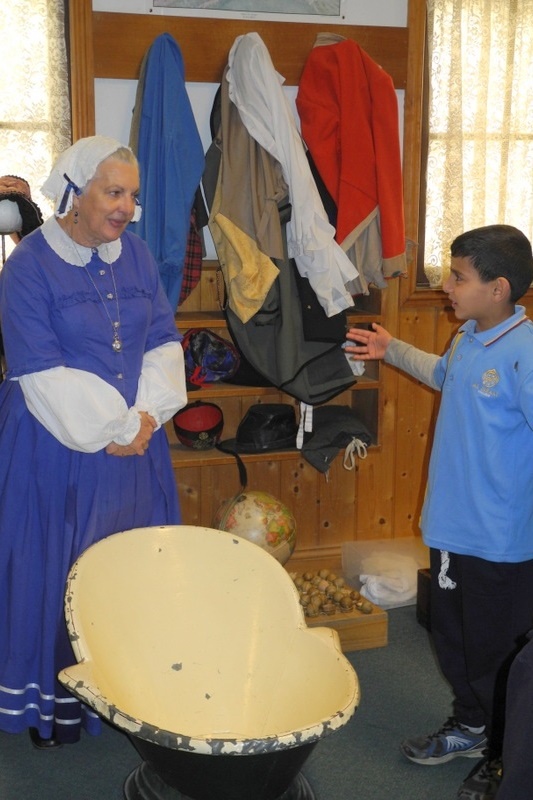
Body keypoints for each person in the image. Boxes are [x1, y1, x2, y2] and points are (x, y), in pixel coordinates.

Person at [0, 136, 188, 749]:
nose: (127, 208)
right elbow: (38, 367)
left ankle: (124, 693)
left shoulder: (134, 255)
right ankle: (57, 708)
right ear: (75, 194)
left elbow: (162, 338)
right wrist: (114, 426)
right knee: (60, 569)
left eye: (132, 195)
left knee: (124, 570)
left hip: (136, 441)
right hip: (55, 443)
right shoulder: (27, 265)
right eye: (114, 193)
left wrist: (146, 417)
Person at [345, 224, 533, 800]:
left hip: (500, 541)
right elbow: (445, 375)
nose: (448, 285)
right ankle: (473, 727)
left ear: (498, 288)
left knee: (497, 652)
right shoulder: (470, 337)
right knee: (453, 638)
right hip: (451, 528)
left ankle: (506, 754)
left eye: (458, 277)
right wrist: (389, 348)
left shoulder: (524, 355)